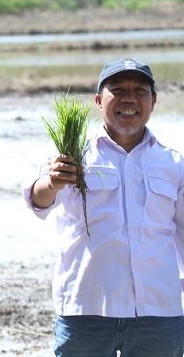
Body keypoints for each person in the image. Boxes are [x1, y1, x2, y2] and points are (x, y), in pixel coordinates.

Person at [22, 58, 184, 356]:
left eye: (140, 90)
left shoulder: (172, 163)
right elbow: (38, 200)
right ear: (99, 100)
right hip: (87, 307)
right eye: (118, 89)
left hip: (158, 310)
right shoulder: (72, 155)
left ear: (154, 101)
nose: (129, 98)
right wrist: (54, 183)